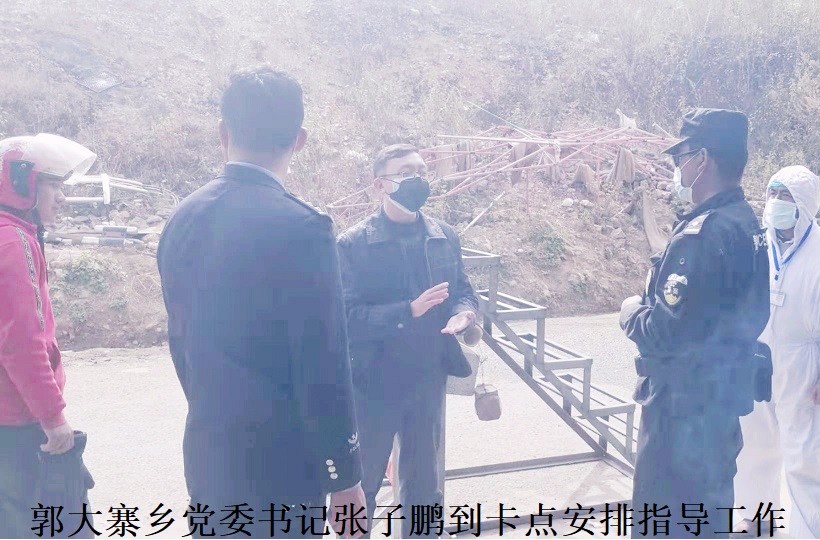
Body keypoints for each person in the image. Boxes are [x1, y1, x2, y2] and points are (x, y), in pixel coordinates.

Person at [156, 66, 366, 539]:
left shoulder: (183, 218)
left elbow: (181, 342)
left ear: (223, 133)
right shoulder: (302, 228)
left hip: (209, 451)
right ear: (300, 140)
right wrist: (344, 477)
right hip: (281, 465)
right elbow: (323, 364)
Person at [618, 109, 770, 539]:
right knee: (707, 518)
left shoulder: (702, 236)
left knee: (664, 523)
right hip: (718, 407)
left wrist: (631, 313)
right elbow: (752, 313)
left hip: (680, 414)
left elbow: (664, 331)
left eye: (680, 156)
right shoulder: (746, 223)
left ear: (702, 159)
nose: (676, 167)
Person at [336, 143, 479, 538]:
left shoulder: (443, 235)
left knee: (424, 488)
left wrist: (464, 314)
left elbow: (464, 291)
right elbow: (345, 318)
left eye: (421, 170)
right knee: (360, 485)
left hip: (426, 378)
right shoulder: (353, 243)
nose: (416, 178)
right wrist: (407, 311)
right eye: (404, 172)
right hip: (372, 383)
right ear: (380, 184)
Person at [0, 133, 98, 538]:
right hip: (20, 421)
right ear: (21, 183)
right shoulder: (13, 242)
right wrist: (53, 418)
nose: (62, 197)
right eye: (53, 185)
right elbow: (22, 343)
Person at [734, 165, 820, 538]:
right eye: (772, 193)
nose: (775, 202)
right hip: (757, 357)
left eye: (785, 196)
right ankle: (758, 516)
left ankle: (808, 529)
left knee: (804, 452)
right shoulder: (757, 245)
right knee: (754, 443)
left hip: (803, 361)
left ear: (804, 203)